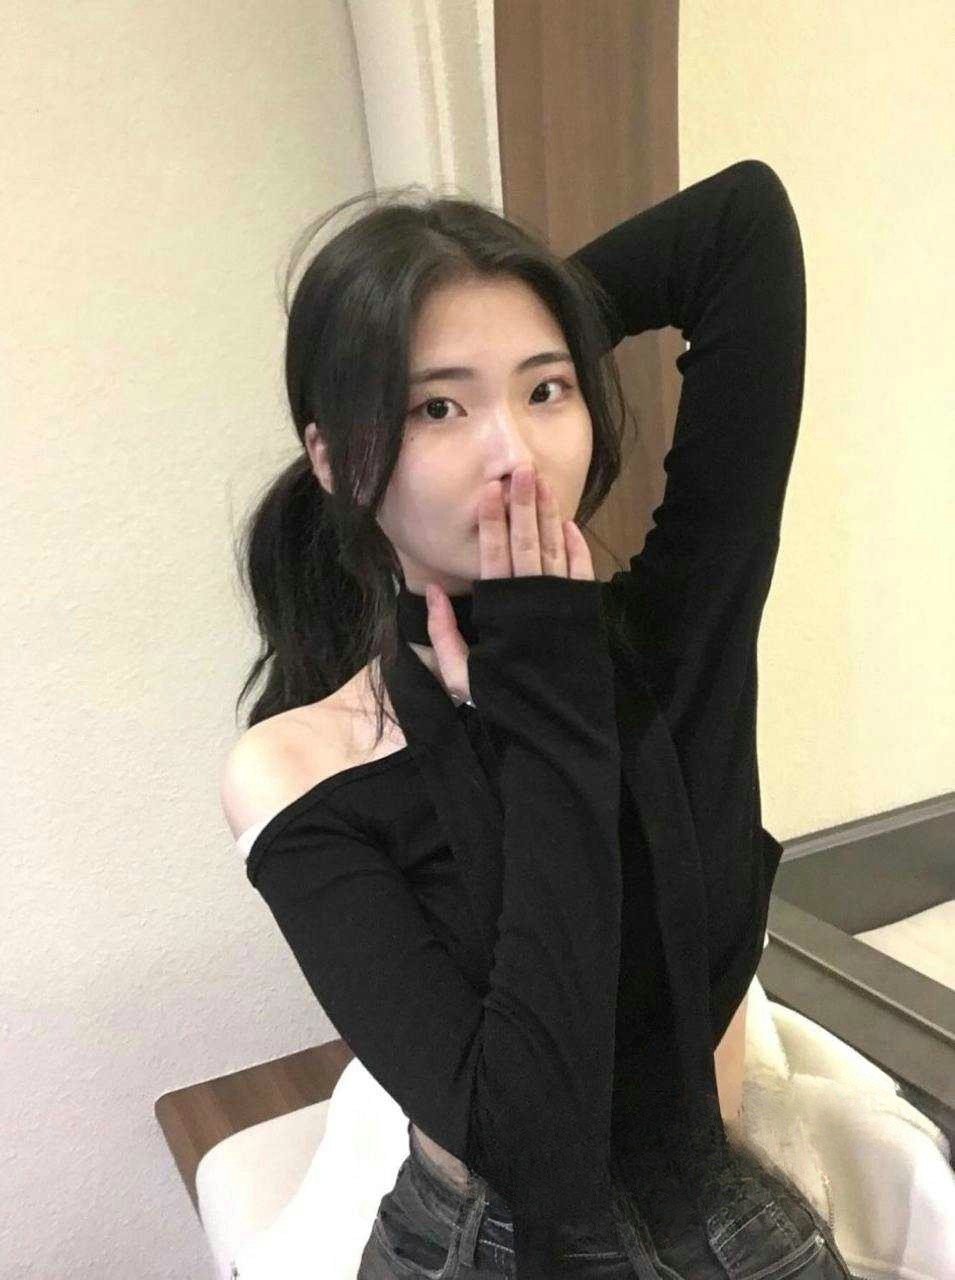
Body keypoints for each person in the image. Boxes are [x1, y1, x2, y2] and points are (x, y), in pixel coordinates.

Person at [221, 160, 853, 1277]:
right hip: (478, 1247)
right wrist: (548, 711)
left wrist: (516, 319)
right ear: (334, 457)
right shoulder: (299, 767)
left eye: (546, 391)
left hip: (728, 1222)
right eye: (436, 406)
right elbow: (534, 1145)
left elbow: (740, 227)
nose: (514, 453)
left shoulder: (671, 636)